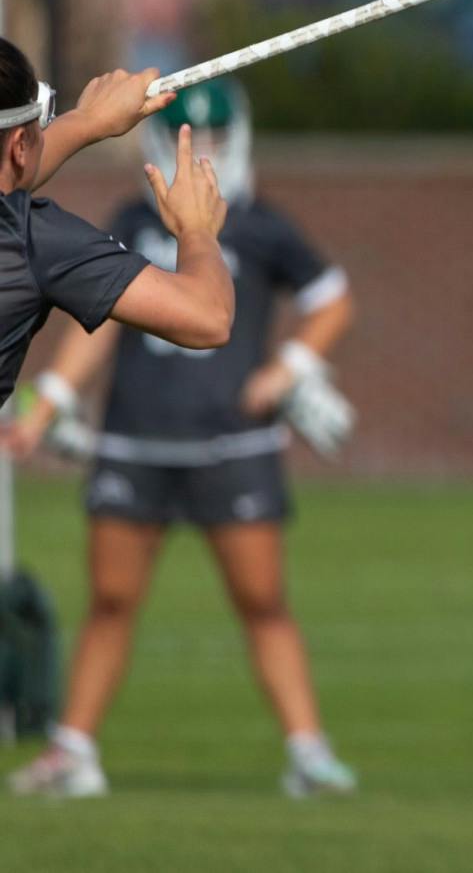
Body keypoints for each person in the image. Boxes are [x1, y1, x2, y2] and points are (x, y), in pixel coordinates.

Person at [3, 79, 359, 801]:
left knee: (263, 600)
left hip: (231, 444)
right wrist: (198, 234)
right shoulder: (74, 227)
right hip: (137, 437)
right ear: (19, 141)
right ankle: (75, 746)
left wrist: (287, 368)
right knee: (112, 600)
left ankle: (308, 748)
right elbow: (188, 317)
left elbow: (330, 298)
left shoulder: (262, 223)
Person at [0, 40, 233, 403]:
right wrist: (197, 231)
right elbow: (209, 317)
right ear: (19, 145)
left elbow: (14, 172)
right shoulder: (33, 240)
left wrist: (86, 121)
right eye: (40, 124)